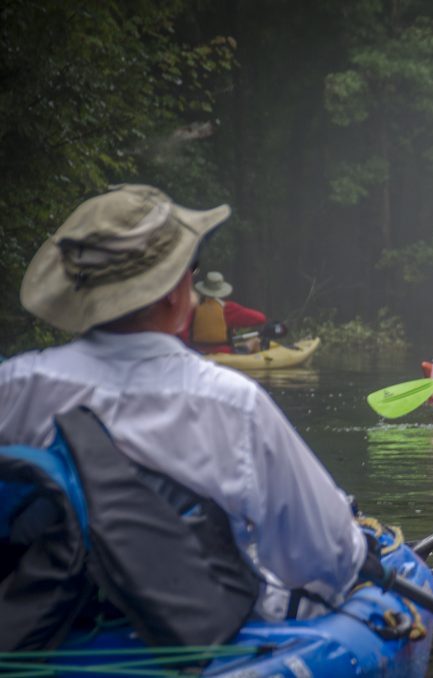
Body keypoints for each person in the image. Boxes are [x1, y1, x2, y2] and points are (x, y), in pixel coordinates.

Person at [0, 185, 365, 622]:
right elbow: (328, 556)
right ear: (174, 293)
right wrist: (362, 542)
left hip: (41, 629)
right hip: (191, 642)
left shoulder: (15, 385)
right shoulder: (232, 404)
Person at [181, 271, 267, 354]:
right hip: (225, 354)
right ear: (221, 291)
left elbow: (183, 334)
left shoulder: (193, 308)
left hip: (197, 354)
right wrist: (237, 323)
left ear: (203, 289)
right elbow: (261, 318)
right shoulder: (228, 308)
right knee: (255, 341)